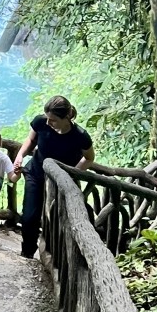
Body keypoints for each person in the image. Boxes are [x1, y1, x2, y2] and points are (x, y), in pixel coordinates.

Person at [11, 95, 94, 259]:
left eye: (53, 120)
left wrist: (72, 173)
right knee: (29, 217)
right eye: (47, 118)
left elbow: (89, 158)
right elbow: (31, 139)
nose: (48, 123)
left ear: (67, 117)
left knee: (60, 219)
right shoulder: (41, 122)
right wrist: (20, 155)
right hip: (36, 174)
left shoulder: (80, 136)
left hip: (61, 182)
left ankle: (57, 256)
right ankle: (27, 253)